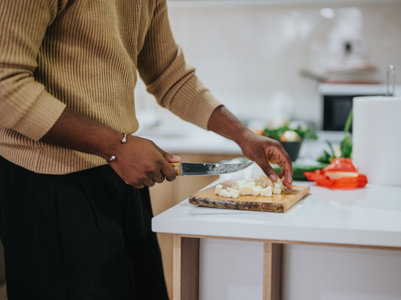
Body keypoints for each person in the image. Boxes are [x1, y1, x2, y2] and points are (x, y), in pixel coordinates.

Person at [0, 0, 293, 299]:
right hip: (48, 184)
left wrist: (243, 135)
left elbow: (169, 73)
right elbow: (5, 86)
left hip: (117, 173)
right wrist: (116, 145)